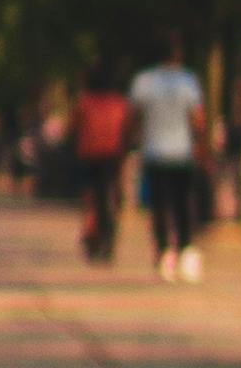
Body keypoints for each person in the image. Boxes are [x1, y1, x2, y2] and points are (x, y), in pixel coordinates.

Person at [128, 42, 207, 280]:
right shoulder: (187, 81)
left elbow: (134, 116)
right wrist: (201, 143)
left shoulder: (144, 82)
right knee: (184, 203)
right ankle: (185, 250)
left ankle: (164, 253)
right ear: (178, 55)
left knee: (159, 205)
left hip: (154, 152)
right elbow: (198, 119)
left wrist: (134, 139)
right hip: (182, 152)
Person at [70, 72, 131, 261]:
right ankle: (109, 239)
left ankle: (92, 231)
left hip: (89, 155)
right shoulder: (120, 103)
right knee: (110, 195)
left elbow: (71, 128)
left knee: (90, 197)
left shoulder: (84, 102)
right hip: (113, 155)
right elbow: (127, 128)